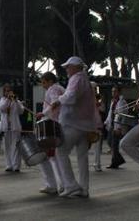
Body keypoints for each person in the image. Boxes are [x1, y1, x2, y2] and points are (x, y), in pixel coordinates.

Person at [50, 56, 98, 198]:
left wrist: (58, 100)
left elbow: (71, 97)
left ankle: (71, 186)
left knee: (61, 151)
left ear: (76, 67)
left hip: (73, 123)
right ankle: (84, 188)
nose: (66, 69)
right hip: (85, 125)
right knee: (82, 157)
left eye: (68, 67)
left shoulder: (76, 78)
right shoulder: (85, 80)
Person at [36, 72, 64, 195]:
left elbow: (55, 103)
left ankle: (56, 185)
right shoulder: (60, 88)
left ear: (50, 81)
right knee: (54, 157)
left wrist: (43, 113)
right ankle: (57, 184)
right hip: (57, 124)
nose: (42, 85)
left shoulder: (53, 89)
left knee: (51, 157)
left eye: (43, 82)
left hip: (52, 125)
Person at [0, 84, 23, 172]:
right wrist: (8, 100)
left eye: (9, 91)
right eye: (6, 91)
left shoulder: (16, 101)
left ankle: (16, 165)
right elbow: (1, 108)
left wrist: (15, 101)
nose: (8, 92)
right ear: (4, 92)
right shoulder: (2, 101)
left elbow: (21, 111)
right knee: (6, 146)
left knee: (15, 146)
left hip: (15, 126)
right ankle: (9, 165)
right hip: (5, 126)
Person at [104, 86, 127, 169]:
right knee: (109, 142)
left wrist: (119, 128)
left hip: (117, 126)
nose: (113, 93)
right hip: (112, 124)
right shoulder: (113, 102)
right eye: (112, 91)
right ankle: (119, 159)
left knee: (114, 144)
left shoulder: (122, 102)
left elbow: (122, 116)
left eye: (115, 91)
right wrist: (106, 122)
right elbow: (110, 113)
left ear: (119, 92)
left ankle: (115, 162)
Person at [92, 92, 105, 172]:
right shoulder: (90, 105)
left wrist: (99, 104)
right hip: (91, 127)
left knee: (97, 147)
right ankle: (96, 164)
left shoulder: (99, 106)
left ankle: (97, 164)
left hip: (97, 127)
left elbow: (102, 109)